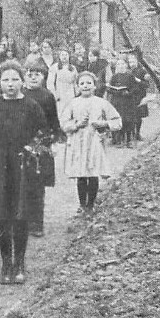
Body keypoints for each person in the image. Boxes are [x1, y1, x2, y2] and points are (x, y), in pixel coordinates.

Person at [0, 60, 47, 285]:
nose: (10, 84)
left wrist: (32, 149)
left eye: (15, 79)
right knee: (2, 217)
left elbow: (44, 135)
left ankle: (20, 262)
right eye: (5, 80)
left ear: (22, 80)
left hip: (23, 168)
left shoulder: (31, 106)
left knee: (20, 216)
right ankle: (6, 263)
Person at [62, 71, 122, 215]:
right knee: (81, 175)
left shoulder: (101, 102)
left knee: (93, 173)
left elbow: (117, 122)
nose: (85, 86)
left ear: (95, 86)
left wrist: (102, 123)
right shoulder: (73, 103)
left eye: (89, 83)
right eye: (82, 83)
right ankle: (82, 205)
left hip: (95, 142)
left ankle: (91, 204)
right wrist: (76, 124)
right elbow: (64, 123)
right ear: (77, 87)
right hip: (78, 143)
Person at [22, 62, 61, 238]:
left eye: (37, 74)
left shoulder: (47, 96)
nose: (33, 77)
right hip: (20, 143)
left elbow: (53, 121)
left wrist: (49, 140)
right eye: (29, 73)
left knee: (37, 186)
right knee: (20, 184)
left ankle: (37, 223)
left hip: (40, 143)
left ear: (44, 77)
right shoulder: (20, 94)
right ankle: (22, 221)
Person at [106, 58, 140, 147]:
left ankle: (128, 140)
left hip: (127, 101)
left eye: (122, 64)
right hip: (117, 101)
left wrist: (129, 92)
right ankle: (119, 140)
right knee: (118, 119)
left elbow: (136, 88)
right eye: (118, 64)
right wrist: (115, 91)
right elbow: (109, 88)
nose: (120, 66)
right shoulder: (114, 77)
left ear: (126, 65)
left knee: (128, 120)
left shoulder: (130, 76)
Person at [48, 49, 78, 122]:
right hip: (60, 92)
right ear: (59, 57)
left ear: (69, 56)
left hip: (70, 92)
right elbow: (50, 82)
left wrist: (76, 93)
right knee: (60, 111)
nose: (64, 57)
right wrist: (54, 94)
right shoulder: (55, 67)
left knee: (71, 111)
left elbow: (76, 82)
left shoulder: (73, 68)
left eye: (66, 55)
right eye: (62, 55)